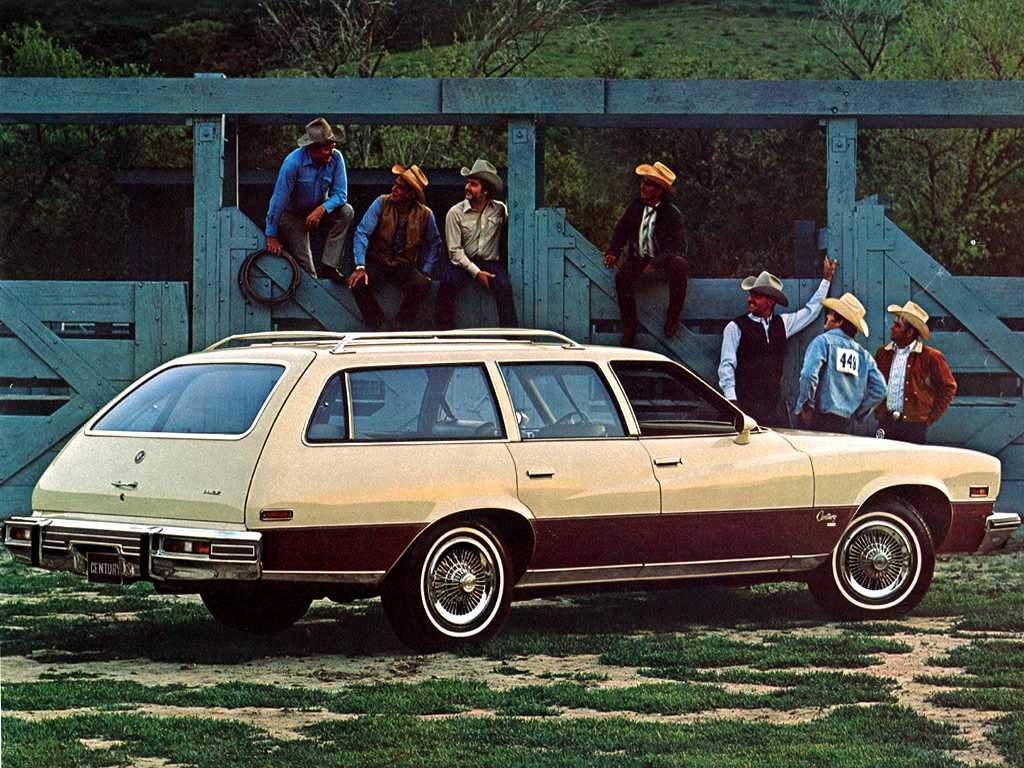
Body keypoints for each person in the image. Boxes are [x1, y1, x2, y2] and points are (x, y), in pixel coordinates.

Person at [717, 257, 837, 427]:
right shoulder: (735, 327)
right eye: (751, 294)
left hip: (773, 406)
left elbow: (811, 311)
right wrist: (732, 401)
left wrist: (826, 281)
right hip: (744, 404)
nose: (750, 299)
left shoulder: (783, 324)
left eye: (756, 296)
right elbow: (726, 366)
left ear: (770, 301)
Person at [347, 164, 442, 330]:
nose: (394, 188)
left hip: (404, 265)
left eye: (400, 187)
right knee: (358, 284)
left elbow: (435, 243)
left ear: (411, 194)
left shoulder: (425, 214)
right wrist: (360, 265)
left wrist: (427, 270)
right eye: (395, 184)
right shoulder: (381, 202)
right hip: (378, 260)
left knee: (422, 284)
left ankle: (402, 325)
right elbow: (362, 232)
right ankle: (377, 324)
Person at [603, 161, 687, 346]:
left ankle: (672, 316)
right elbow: (621, 230)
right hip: (639, 258)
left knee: (679, 265)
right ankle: (629, 327)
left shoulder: (672, 214)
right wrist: (614, 251)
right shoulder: (636, 207)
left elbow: (677, 246)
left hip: (663, 261)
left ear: (659, 190)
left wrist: (655, 264)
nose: (643, 186)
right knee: (622, 279)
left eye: (648, 183)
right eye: (643, 182)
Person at [265, 117, 354, 281]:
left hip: (319, 209)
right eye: (327, 148)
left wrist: (322, 209)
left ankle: (329, 265)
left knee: (346, 211)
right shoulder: (292, 163)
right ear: (312, 149)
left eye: (333, 145)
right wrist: (271, 235)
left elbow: (341, 194)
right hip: (292, 215)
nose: (331, 150)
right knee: (309, 272)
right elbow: (278, 200)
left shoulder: (336, 158)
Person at [435, 159, 517, 330]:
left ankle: (512, 336)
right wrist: (477, 273)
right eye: (468, 183)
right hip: (462, 263)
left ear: (486, 191)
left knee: (504, 286)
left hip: (490, 262)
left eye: (473, 184)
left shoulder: (500, 210)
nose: (467, 187)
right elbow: (455, 252)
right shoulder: (455, 213)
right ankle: (443, 335)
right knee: (446, 282)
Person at [794, 292, 886, 433]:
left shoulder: (823, 341)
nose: (827, 317)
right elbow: (880, 389)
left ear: (840, 321)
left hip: (818, 418)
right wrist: (858, 412)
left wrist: (806, 407)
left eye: (831, 314)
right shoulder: (863, 355)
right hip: (846, 422)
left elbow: (808, 375)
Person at [874, 301, 957, 444]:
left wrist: (928, 418)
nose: (892, 328)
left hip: (914, 427)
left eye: (897, 326)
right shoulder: (883, 353)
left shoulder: (930, 356)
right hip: (886, 422)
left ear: (910, 332)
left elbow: (948, 387)